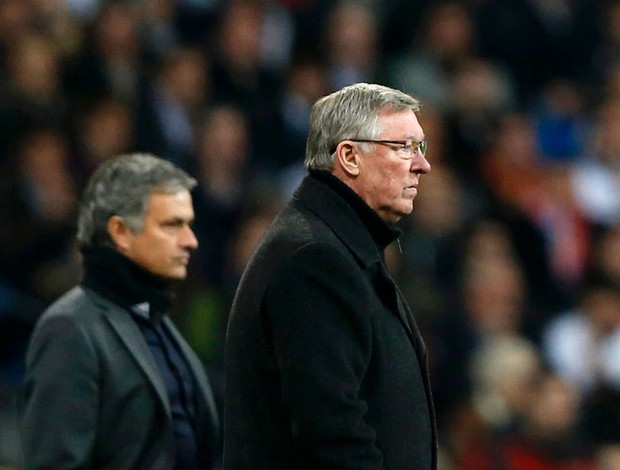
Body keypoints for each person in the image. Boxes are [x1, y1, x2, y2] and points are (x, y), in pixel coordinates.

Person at [224, 82, 437, 469]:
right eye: (404, 147)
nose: (421, 164)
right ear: (350, 156)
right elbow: (332, 435)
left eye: (420, 147)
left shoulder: (338, 246)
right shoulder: (315, 259)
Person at [20, 153, 220, 469]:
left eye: (189, 225)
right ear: (121, 232)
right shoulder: (69, 328)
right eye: (172, 225)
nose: (190, 241)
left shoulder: (155, 319)